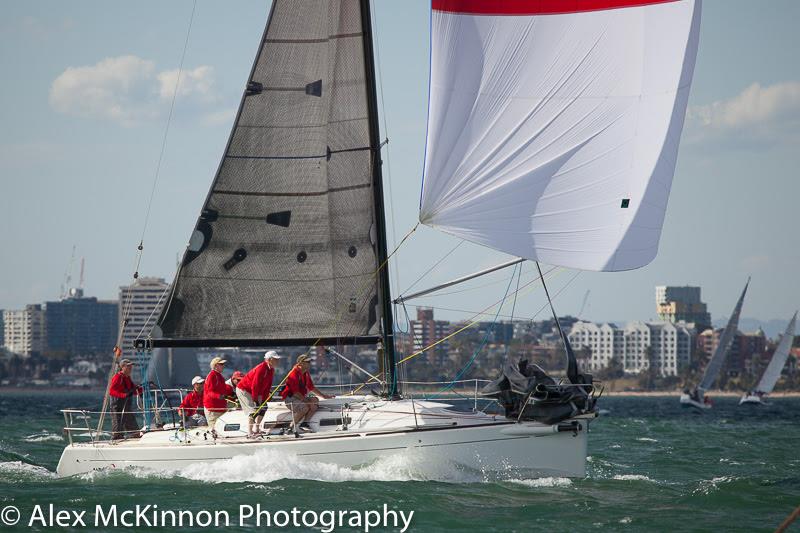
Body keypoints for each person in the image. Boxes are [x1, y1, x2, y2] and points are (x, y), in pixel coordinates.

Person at [280, 354, 332, 433]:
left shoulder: (305, 373)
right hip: (290, 398)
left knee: (315, 401)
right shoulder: (293, 373)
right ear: (301, 363)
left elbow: (311, 387)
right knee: (304, 408)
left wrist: (323, 396)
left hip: (299, 397)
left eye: (310, 361)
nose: (309, 363)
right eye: (307, 362)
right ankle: (290, 427)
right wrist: (305, 400)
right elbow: (295, 392)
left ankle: (304, 423)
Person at [237, 351, 281, 437]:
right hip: (244, 389)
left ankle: (256, 429)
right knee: (254, 410)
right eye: (276, 359)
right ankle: (249, 432)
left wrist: (264, 399)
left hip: (255, 391)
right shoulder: (261, 368)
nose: (278, 361)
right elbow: (255, 385)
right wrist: (255, 400)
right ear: (270, 360)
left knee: (264, 408)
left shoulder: (271, 370)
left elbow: (267, 386)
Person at [108, 358, 143, 440]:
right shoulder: (117, 377)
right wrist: (124, 395)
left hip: (126, 405)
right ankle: (116, 439)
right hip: (117, 406)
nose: (131, 368)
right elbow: (111, 391)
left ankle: (135, 436)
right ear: (123, 367)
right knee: (117, 425)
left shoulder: (128, 378)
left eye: (131, 366)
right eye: (128, 366)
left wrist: (143, 389)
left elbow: (133, 390)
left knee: (132, 425)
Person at [203, 356, 234, 430]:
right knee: (214, 429)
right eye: (221, 364)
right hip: (213, 408)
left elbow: (223, 389)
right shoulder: (212, 376)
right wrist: (219, 396)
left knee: (220, 429)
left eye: (223, 364)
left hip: (220, 407)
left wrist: (232, 393)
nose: (223, 366)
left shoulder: (219, 376)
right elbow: (209, 392)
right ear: (216, 365)